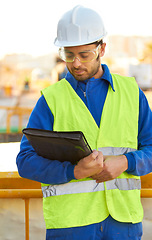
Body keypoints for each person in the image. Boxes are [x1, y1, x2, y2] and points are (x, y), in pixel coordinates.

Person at [16, 5, 152, 240]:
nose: (76, 63)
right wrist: (74, 171)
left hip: (123, 225)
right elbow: (25, 161)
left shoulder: (132, 92)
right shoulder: (51, 99)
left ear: (102, 49)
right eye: (68, 55)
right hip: (71, 227)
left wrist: (126, 161)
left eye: (84, 55)